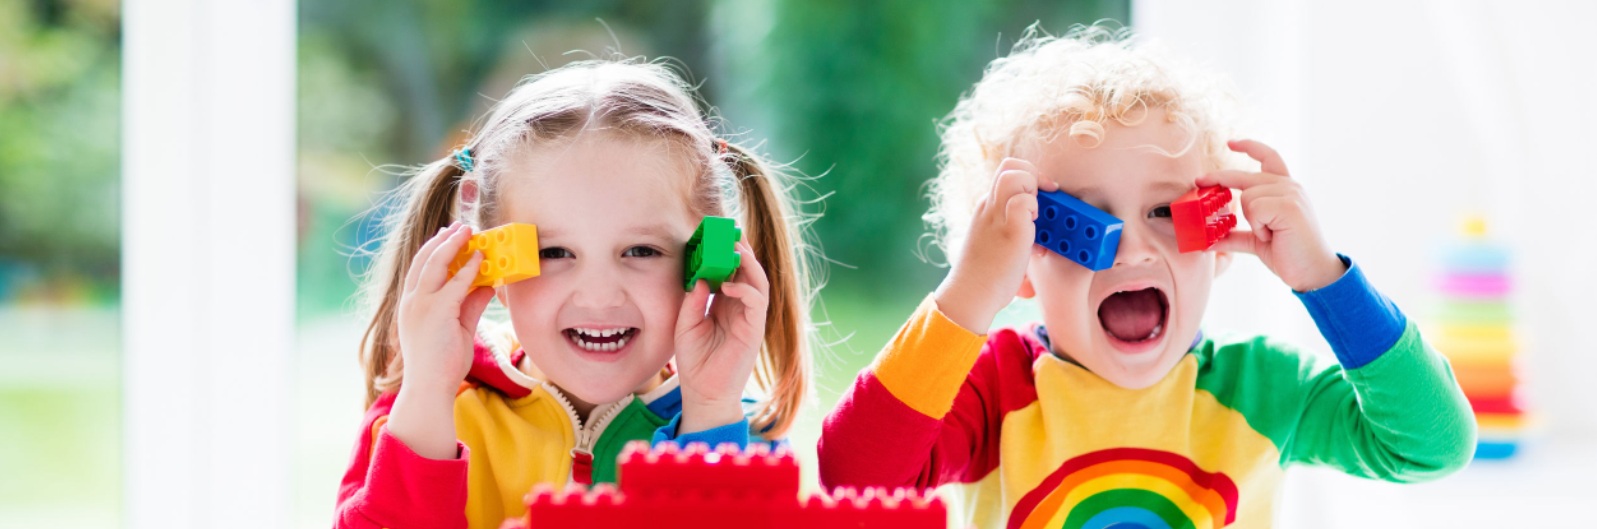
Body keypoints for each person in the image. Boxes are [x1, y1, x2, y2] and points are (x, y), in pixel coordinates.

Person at [819, 25, 1475, 528]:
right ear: (1018, 265)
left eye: (1164, 210)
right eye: (1081, 222)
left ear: (1217, 238)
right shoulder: (997, 393)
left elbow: (1430, 444)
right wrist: (967, 293)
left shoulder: (1260, 389)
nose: (1130, 249)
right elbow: (853, 475)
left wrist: (1324, 279)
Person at [334, 59, 815, 529]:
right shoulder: (423, 417)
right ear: (491, 262)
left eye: (642, 250)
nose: (600, 295)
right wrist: (427, 395)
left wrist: (710, 414)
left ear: (704, 261)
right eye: (555, 252)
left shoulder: (739, 438)